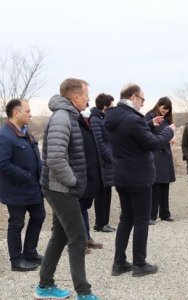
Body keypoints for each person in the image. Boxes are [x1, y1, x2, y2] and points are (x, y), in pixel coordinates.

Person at [35, 78, 99, 300]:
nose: (89, 99)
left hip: (61, 187)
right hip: (60, 188)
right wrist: (73, 181)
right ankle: (84, 292)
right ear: (76, 97)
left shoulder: (69, 116)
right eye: (86, 95)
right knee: (78, 237)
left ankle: (44, 286)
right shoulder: (62, 118)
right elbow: (55, 158)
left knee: (60, 235)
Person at [105, 83, 175, 277]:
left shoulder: (114, 117)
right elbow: (152, 143)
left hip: (122, 175)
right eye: (142, 99)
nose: (143, 104)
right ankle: (139, 265)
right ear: (133, 97)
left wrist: (149, 125)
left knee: (126, 218)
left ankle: (119, 263)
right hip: (139, 177)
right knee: (141, 220)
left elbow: (131, 136)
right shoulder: (132, 120)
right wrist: (168, 132)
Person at [0, 99, 45, 272]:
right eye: (27, 111)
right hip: (16, 190)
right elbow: (2, 164)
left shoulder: (26, 132)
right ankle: (16, 260)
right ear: (16, 113)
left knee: (39, 216)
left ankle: (30, 252)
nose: (30, 114)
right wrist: (25, 175)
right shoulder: (4, 136)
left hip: (33, 188)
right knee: (16, 224)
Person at [144, 97, 176, 225]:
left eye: (167, 110)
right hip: (155, 155)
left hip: (166, 154)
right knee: (156, 185)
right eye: (163, 109)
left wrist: (171, 138)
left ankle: (165, 213)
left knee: (165, 185)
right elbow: (144, 132)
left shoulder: (168, 119)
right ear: (158, 105)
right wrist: (161, 137)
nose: (165, 112)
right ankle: (152, 215)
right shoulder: (150, 116)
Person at [78, 108, 104, 253]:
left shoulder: (87, 127)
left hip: (90, 176)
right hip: (81, 175)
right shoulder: (77, 126)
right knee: (78, 210)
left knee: (84, 209)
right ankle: (78, 242)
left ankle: (87, 238)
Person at [90, 93, 115, 233]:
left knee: (107, 193)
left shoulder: (103, 118)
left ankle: (105, 222)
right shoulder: (95, 119)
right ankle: (100, 223)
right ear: (105, 105)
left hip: (107, 163)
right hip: (101, 163)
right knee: (101, 195)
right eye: (111, 104)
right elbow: (99, 143)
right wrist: (110, 157)